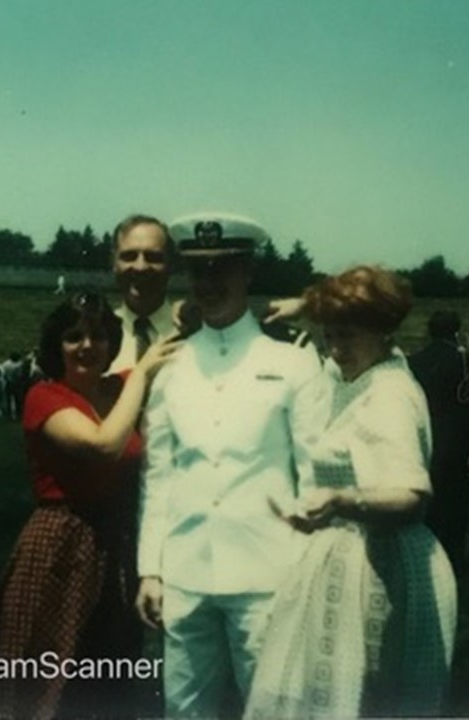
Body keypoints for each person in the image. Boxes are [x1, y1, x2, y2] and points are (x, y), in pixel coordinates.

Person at [135, 213, 327, 718]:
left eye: (222, 268)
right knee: (184, 710)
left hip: (268, 573)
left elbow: (313, 476)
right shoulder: (171, 367)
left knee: (274, 710)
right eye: (199, 270)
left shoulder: (292, 363)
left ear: (248, 273)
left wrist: (306, 566)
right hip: (186, 573)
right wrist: (151, 569)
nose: (209, 282)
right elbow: (160, 476)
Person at [246, 265, 457, 719]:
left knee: (362, 698)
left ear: (381, 331)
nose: (336, 349)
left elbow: (412, 496)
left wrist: (342, 500)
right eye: (329, 336)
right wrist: (309, 306)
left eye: (347, 336)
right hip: (345, 555)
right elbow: (340, 341)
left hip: (380, 568)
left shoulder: (389, 394)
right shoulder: (362, 373)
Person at [0, 292, 179, 720]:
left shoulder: (120, 388)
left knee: (109, 681)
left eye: (99, 336)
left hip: (115, 548)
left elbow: (177, 349)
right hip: (60, 546)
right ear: (56, 345)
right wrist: (141, 375)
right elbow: (102, 445)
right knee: (46, 680)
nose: (87, 346)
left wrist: (183, 317)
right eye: (74, 336)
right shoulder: (45, 396)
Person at [408, 310, 469, 571]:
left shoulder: (413, 363)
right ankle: (452, 561)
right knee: (455, 505)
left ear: (429, 330)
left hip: (419, 442)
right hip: (456, 445)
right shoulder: (466, 362)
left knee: (423, 503)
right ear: (456, 331)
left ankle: (421, 558)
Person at [108, 214, 178, 373]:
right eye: (129, 256)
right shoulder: (97, 337)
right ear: (114, 262)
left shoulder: (191, 333)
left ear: (171, 264)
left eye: (153, 257)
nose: (140, 267)